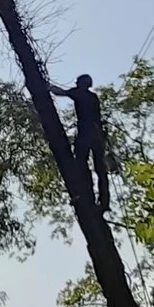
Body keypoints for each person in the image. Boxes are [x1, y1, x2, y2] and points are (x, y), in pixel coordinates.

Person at [50, 74, 111, 213]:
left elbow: (60, 92)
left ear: (83, 83)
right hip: (97, 134)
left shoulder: (79, 93)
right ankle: (104, 201)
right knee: (100, 169)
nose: (76, 83)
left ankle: (86, 196)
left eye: (78, 82)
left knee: (81, 165)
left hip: (85, 134)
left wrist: (47, 86)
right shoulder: (93, 97)